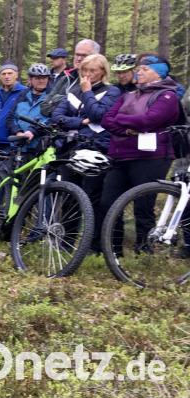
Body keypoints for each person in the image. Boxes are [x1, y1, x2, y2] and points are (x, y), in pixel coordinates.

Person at [99, 55, 185, 257]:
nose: (139, 72)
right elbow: (107, 120)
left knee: (143, 206)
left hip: (152, 158)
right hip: (121, 155)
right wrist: (128, 129)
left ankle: (143, 252)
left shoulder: (168, 96)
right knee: (108, 202)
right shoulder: (129, 95)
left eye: (144, 69)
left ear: (158, 72)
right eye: (139, 69)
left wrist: (122, 120)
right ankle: (113, 251)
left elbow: (149, 120)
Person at [51, 54, 121, 251]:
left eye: (93, 71)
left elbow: (99, 115)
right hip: (71, 148)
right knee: (69, 196)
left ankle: (94, 245)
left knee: (92, 197)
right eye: (85, 71)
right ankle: (66, 242)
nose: (88, 75)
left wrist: (88, 92)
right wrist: (80, 122)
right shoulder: (73, 90)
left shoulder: (112, 91)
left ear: (103, 72)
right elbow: (57, 117)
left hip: (96, 148)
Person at [40, 38, 101, 117]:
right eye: (77, 54)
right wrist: (62, 112)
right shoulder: (65, 78)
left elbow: (91, 113)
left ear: (95, 57)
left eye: (84, 55)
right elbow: (44, 107)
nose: (79, 59)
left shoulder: (98, 83)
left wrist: (58, 103)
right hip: (58, 125)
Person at [7, 63, 52, 150]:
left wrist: (32, 132)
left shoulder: (52, 98)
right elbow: (10, 117)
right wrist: (18, 132)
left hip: (39, 147)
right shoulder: (22, 95)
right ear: (30, 79)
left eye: (44, 78)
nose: (41, 81)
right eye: (37, 78)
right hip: (18, 146)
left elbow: (50, 120)